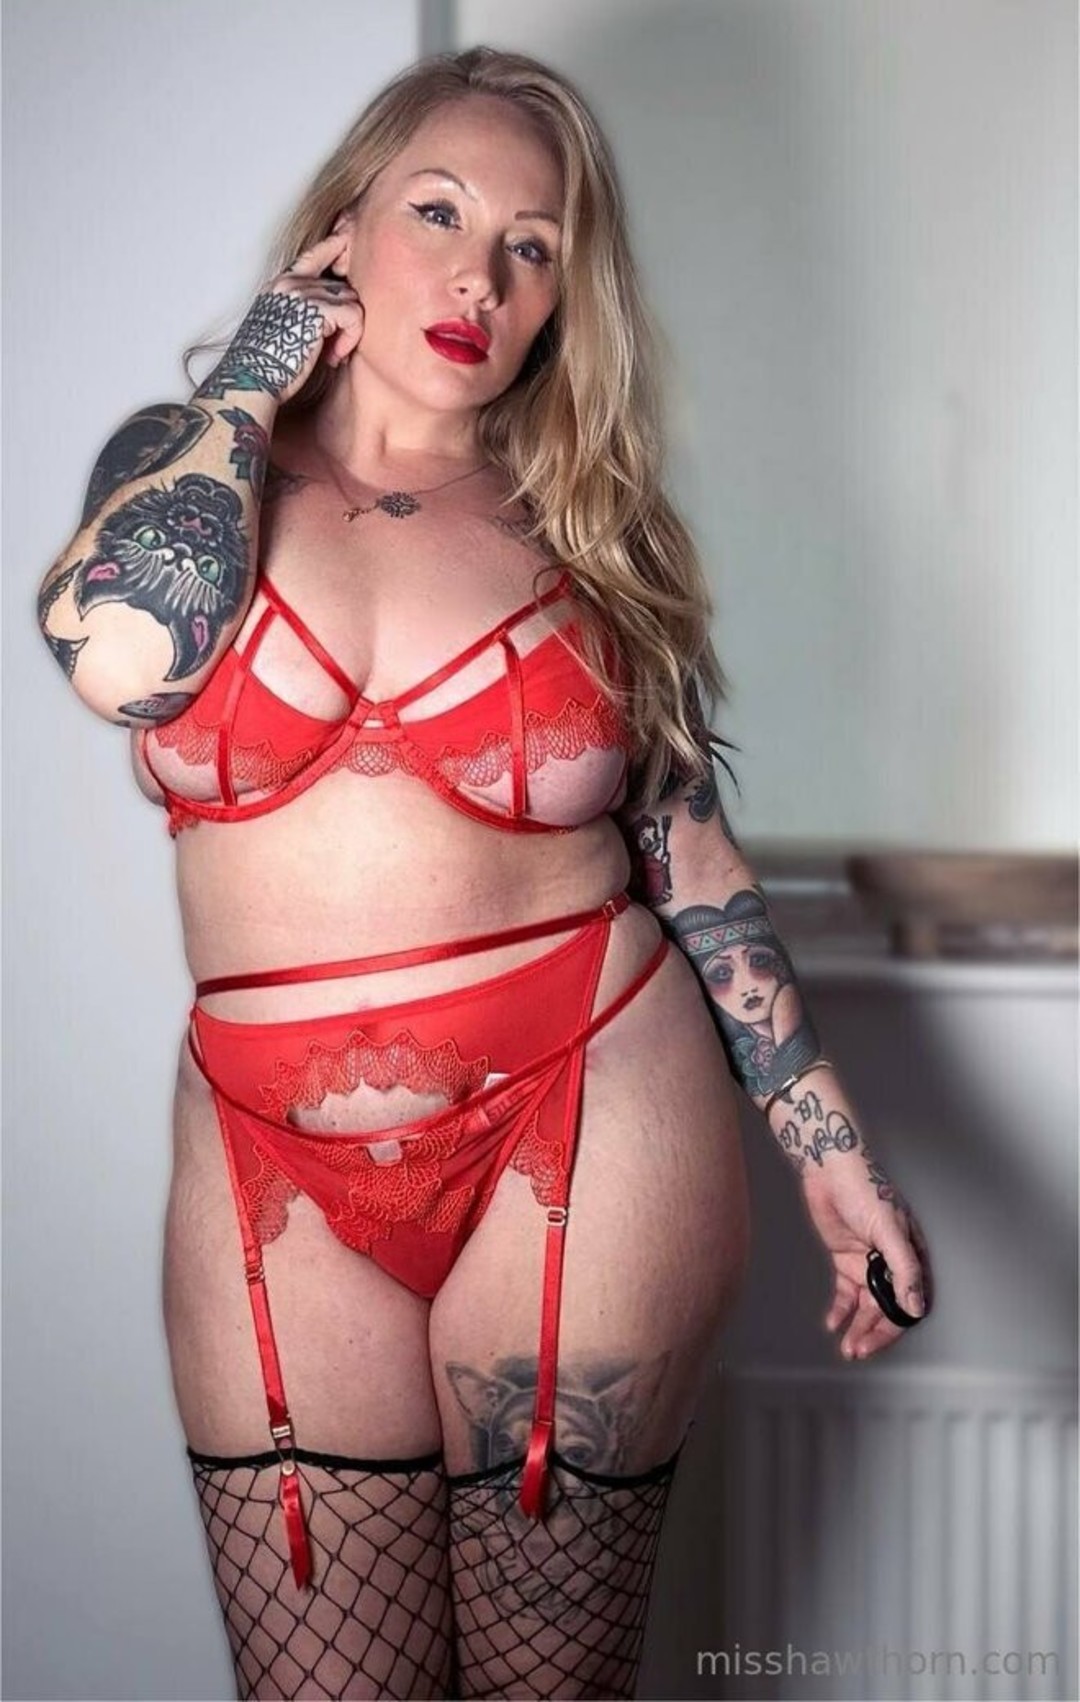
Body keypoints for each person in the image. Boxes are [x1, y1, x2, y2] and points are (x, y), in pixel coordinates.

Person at [36, 45, 932, 1702]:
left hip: (583, 1109)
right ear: (343, 229)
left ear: (563, 297)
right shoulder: (193, 466)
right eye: (438, 213)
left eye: (533, 246)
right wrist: (261, 369)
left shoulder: (583, 520)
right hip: (269, 1156)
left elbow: (683, 847)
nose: (479, 277)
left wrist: (831, 1148)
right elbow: (119, 661)